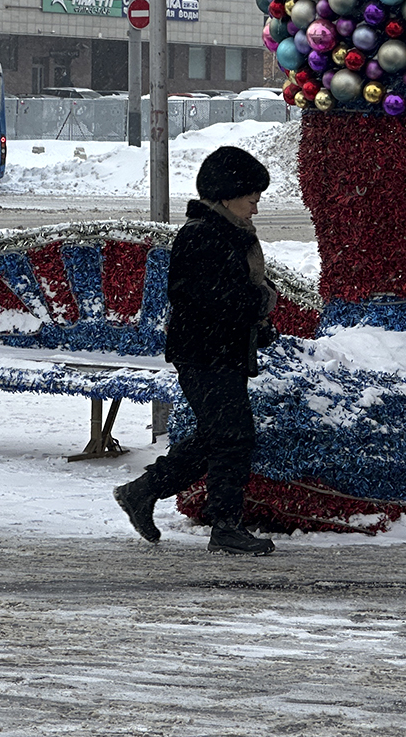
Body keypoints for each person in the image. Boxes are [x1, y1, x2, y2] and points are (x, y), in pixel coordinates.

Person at [114, 146, 279, 555]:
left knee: (218, 436)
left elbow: (226, 296)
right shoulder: (203, 234)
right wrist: (259, 303)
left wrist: (258, 324)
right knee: (233, 437)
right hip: (205, 353)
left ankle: (143, 491)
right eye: (251, 198)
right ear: (227, 195)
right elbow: (209, 297)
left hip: (219, 351)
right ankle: (224, 526)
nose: (255, 208)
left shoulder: (227, 232)